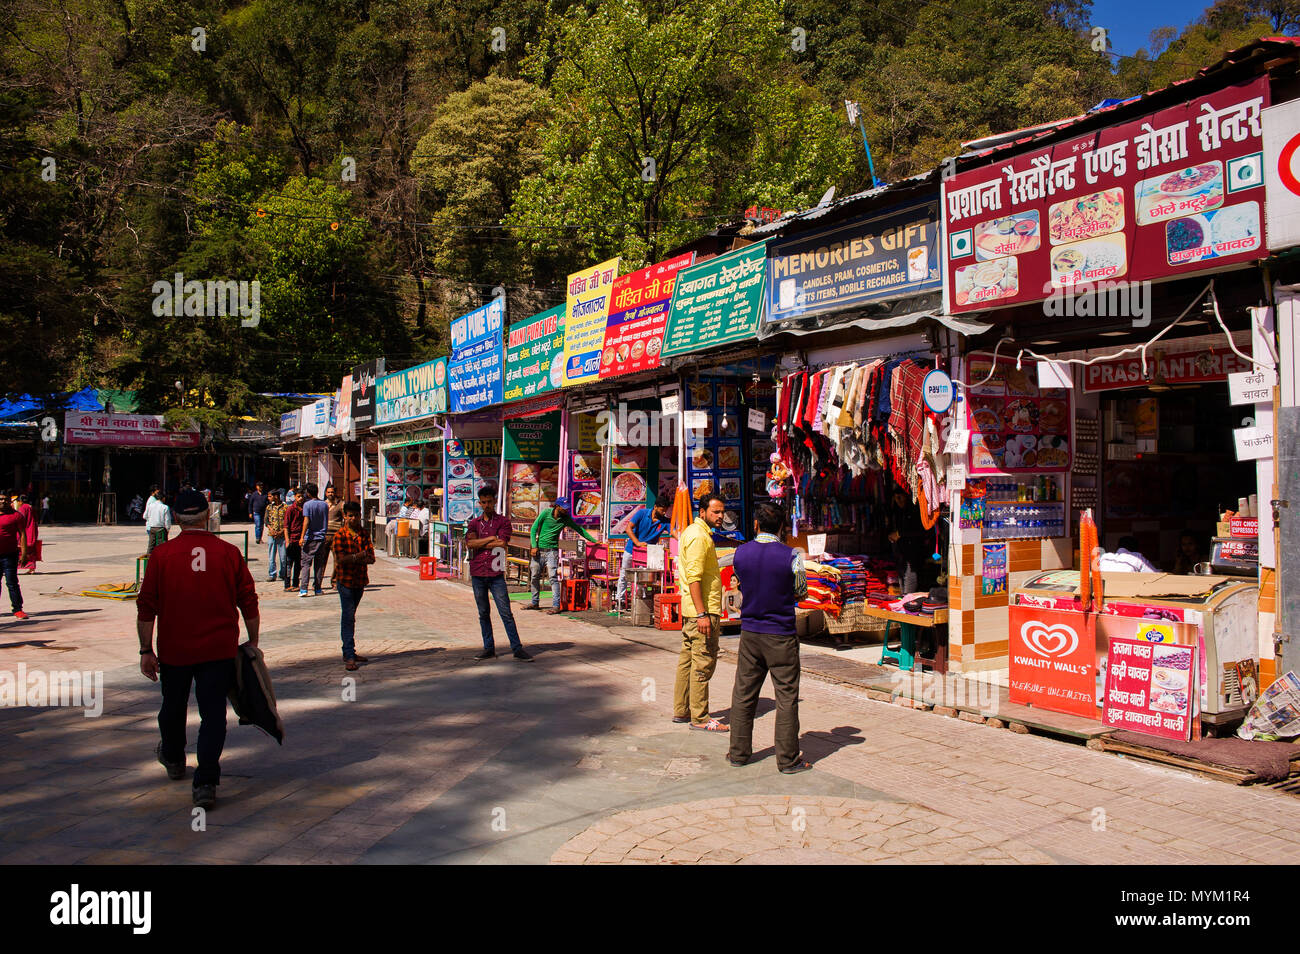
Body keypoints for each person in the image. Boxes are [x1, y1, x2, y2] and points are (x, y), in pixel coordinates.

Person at [136, 488, 260, 809]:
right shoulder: (228, 552)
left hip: (175, 648)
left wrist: (145, 650)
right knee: (213, 715)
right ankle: (205, 781)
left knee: (172, 707)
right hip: (218, 649)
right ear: (207, 516)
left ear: (175, 518)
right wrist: (253, 640)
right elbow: (248, 600)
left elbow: (146, 606)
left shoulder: (161, 556)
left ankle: (174, 756)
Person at [727, 503, 811, 773]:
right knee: (786, 696)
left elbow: (741, 581)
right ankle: (787, 759)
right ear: (783, 527)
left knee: (744, 693)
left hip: (750, 633)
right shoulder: (792, 556)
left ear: (755, 525)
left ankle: (739, 753)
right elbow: (801, 590)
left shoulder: (741, 553)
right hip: (781, 634)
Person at [673, 493, 726, 731]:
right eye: (715, 512)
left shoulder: (698, 534)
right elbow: (694, 578)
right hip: (700, 612)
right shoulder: (698, 536)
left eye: (722, 512)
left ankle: (683, 710)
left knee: (688, 661)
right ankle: (700, 717)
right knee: (702, 663)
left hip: (693, 610)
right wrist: (703, 614)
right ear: (702, 512)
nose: (720, 516)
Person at [465, 486, 532, 661]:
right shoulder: (474, 523)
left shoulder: (503, 522)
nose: (487, 505)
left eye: (489, 501)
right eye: (484, 502)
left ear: (495, 501)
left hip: (496, 574)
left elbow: (501, 543)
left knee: (506, 612)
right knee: (483, 613)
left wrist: (483, 542)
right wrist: (490, 539)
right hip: (478, 573)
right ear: (480, 503)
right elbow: (470, 544)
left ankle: (517, 648)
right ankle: (488, 647)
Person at [525, 497, 597, 614]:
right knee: (534, 576)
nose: (566, 511)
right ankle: (535, 602)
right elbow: (533, 529)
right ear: (557, 507)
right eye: (564, 509)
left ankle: (556, 605)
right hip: (539, 550)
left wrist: (594, 540)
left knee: (553, 577)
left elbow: (579, 530)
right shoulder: (546, 513)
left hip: (552, 551)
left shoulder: (566, 519)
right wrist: (534, 546)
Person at [330, 501, 375, 671]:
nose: (353, 518)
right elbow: (340, 559)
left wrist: (355, 557)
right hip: (345, 581)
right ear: (345, 516)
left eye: (356, 515)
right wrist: (359, 556)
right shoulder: (340, 535)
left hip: (360, 580)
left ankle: (348, 651)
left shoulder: (364, 533)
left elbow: (371, 557)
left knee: (351, 615)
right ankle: (349, 654)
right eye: (350, 515)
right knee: (348, 616)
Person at [614, 500, 670, 611]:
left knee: (642, 580)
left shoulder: (665, 521)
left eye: (665, 511)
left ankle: (639, 604)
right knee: (624, 575)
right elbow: (628, 528)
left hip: (646, 554)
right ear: (655, 507)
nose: (664, 513)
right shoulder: (642, 513)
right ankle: (620, 601)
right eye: (662, 510)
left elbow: (674, 533)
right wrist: (637, 542)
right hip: (631, 550)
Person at [0, 491, 30, 619]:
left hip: (10, 555)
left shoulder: (16, 516)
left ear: (10, 501)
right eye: (0, 499)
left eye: (5, 499)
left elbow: (23, 534)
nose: (3, 501)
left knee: (12, 582)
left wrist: (24, 553)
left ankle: (17, 609)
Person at [298, 483, 329, 597]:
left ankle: (303, 589)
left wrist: (302, 537)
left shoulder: (307, 505)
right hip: (321, 537)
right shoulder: (324, 505)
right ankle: (318, 588)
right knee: (319, 564)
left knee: (306, 564)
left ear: (308, 493)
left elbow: (306, 521)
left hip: (310, 538)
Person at [319, 484, 344, 587]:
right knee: (321, 560)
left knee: (337, 560)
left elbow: (345, 518)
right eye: (329, 492)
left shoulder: (340, 504)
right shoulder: (322, 504)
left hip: (336, 536)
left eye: (332, 492)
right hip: (324, 536)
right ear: (326, 493)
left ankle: (335, 582)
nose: (330, 494)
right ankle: (318, 582)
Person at [282, 490, 305, 592]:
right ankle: (287, 584)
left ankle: (296, 583)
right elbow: (286, 526)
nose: (300, 498)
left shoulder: (304, 509)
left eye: (302, 496)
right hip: (291, 540)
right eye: (298, 496)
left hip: (300, 540)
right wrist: (287, 540)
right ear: (295, 497)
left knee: (298, 564)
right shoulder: (290, 509)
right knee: (288, 564)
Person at [264, 490, 286, 583]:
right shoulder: (269, 507)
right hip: (271, 535)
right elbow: (266, 520)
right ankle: (272, 574)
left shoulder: (285, 507)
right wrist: (271, 529)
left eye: (270, 496)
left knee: (283, 556)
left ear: (276, 496)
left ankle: (283, 574)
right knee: (271, 556)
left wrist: (281, 531)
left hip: (282, 535)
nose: (269, 498)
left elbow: (287, 522)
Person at [144, 486, 172, 554]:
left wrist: (151, 520)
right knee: (162, 546)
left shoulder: (151, 506)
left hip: (152, 528)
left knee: (151, 546)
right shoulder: (165, 507)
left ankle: (149, 562)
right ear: (163, 498)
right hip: (161, 529)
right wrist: (167, 529)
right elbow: (167, 520)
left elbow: (145, 516)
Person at [15, 494, 38, 574]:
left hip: (25, 531)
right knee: (31, 551)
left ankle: (16, 567)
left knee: (21, 550)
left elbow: (21, 519)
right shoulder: (31, 507)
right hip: (32, 530)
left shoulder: (23, 508)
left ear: (20, 501)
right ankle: (32, 568)